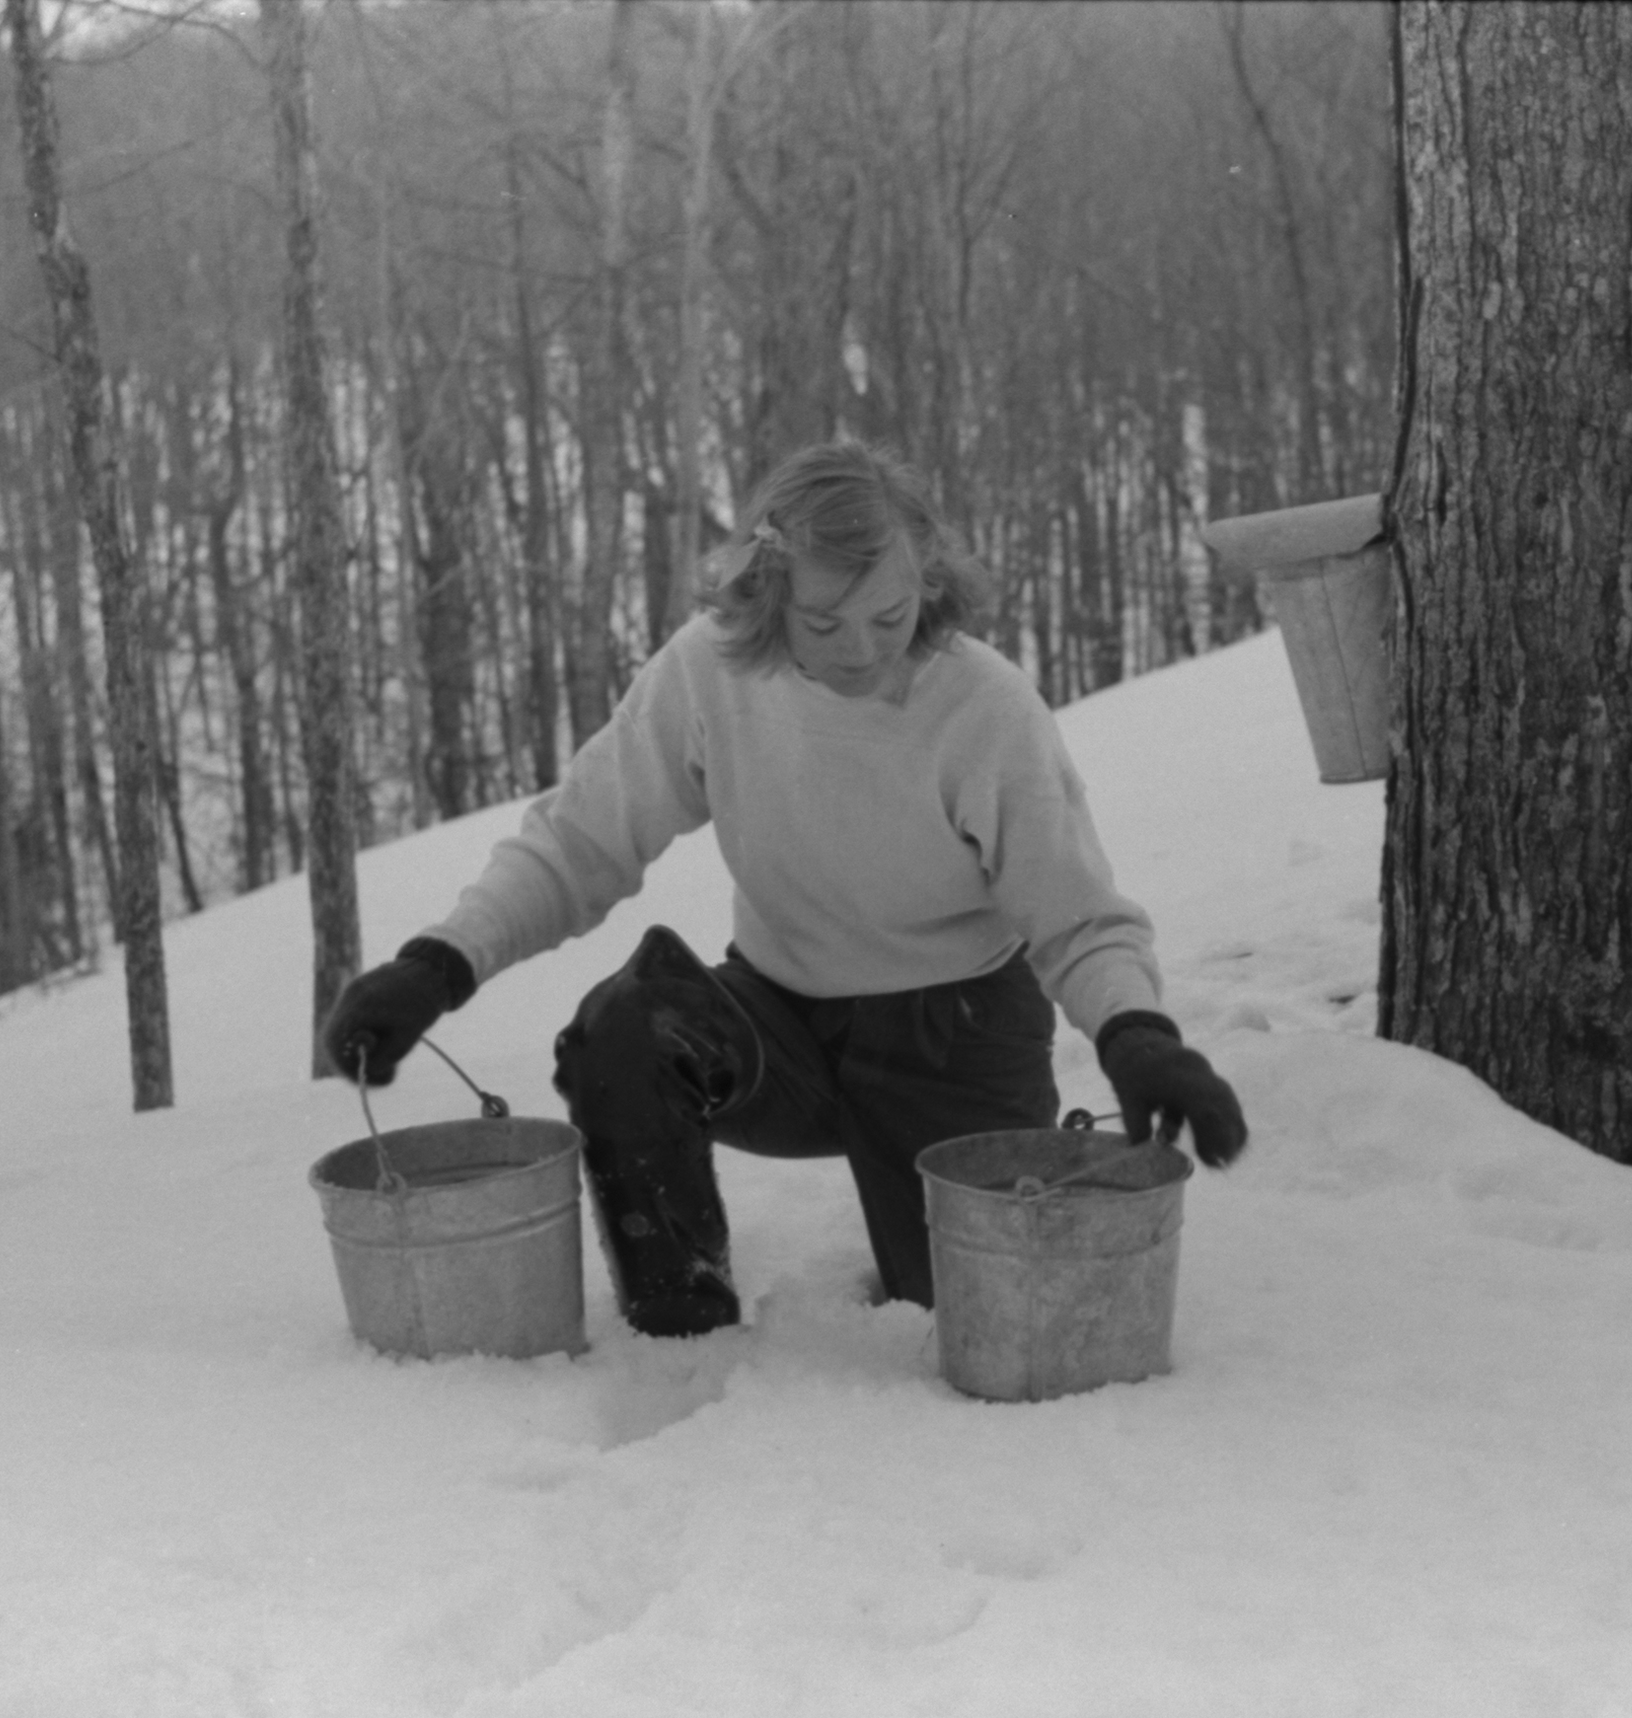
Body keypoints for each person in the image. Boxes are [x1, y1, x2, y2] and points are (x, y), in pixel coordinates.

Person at [322, 440, 1245, 1338]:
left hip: (954, 1037)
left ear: (924, 581)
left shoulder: (983, 707)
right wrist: (438, 967)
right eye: (823, 623)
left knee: (967, 1321)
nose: (860, 651)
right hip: (783, 1023)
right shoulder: (711, 671)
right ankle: (680, 1325)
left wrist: (1138, 1037)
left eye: (887, 618)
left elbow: (1076, 920)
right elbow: (578, 841)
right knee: (626, 1031)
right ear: (769, 595)